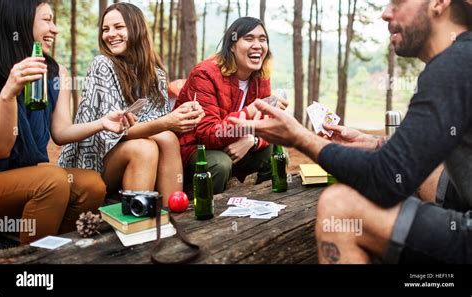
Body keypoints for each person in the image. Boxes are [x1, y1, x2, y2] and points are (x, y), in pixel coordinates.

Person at [230, 0, 472, 264]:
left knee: (339, 207)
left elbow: (385, 180)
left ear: (439, 3)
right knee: (431, 172)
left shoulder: (454, 65)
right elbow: (416, 153)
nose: (386, 13)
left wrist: (298, 136)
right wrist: (373, 142)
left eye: (398, 2)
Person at [0, 0, 129, 244]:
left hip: (31, 175)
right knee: (52, 180)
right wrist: (7, 94)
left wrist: (103, 122)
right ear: (20, 22)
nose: (56, 29)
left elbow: (61, 131)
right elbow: (2, 148)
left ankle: (57, 248)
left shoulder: (56, 72)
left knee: (92, 185)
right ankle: (31, 264)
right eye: (47, 20)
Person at [58, 3, 204, 206]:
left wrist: (182, 115)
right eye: (105, 29)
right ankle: (137, 220)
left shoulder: (157, 75)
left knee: (168, 139)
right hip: (92, 160)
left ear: (137, 28)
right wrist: (167, 122)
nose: (110, 34)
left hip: (129, 154)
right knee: (144, 148)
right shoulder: (103, 65)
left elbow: (156, 125)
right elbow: (115, 133)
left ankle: (171, 210)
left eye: (118, 27)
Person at [175, 17, 288, 194]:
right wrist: (251, 111)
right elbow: (207, 133)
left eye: (262, 39)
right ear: (232, 46)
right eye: (249, 39)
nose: (257, 45)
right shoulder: (205, 74)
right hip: (197, 148)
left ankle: (267, 209)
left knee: (278, 155)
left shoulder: (261, 76)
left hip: (237, 144)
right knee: (220, 164)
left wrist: (253, 140)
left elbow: (269, 126)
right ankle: (204, 214)